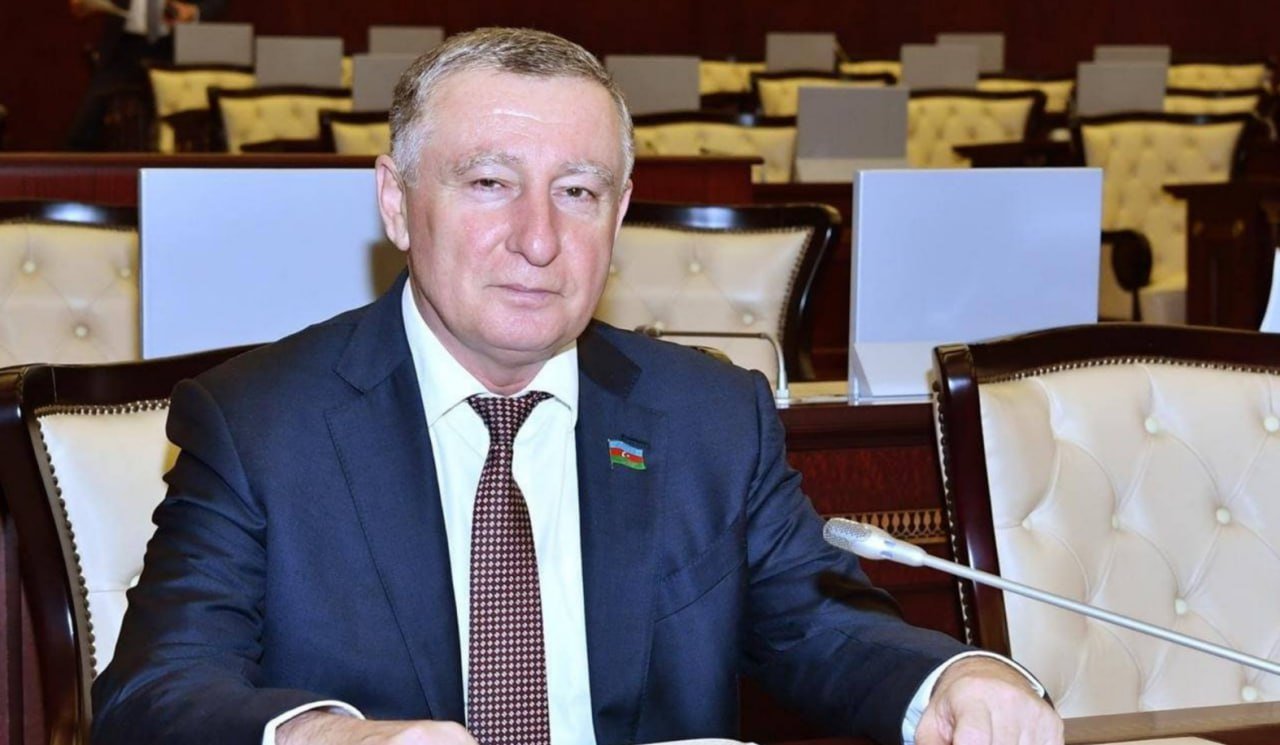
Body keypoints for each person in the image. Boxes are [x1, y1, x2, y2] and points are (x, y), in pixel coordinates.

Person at [91, 27, 1063, 745]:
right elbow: (153, 693)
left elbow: (821, 624)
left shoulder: (707, 416)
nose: (538, 238)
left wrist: (953, 678)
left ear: (620, 211)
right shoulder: (261, 422)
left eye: (577, 192)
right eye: (488, 183)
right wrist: (327, 736)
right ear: (396, 200)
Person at [66, 0, 227, 150]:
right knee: (85, 127)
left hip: (175, 48)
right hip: (125, 49)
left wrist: (195, 11)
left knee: (181, 129)